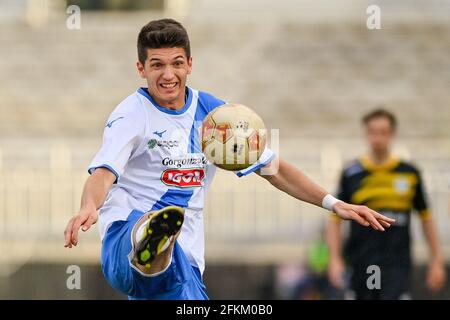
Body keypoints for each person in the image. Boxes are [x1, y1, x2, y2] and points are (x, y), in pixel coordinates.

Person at [63, 19, 394, 300]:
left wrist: (334, 204)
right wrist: (88, 206)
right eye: (157, 65)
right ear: (141, 69)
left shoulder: (216, 117)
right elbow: (104, 172)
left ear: (190, 64)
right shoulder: (131, 115)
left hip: (187, 264)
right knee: (150, 235)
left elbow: (274, 169)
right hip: (123, 242)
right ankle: (151, 238)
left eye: (177, 63)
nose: (168, 75)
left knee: (175, 269)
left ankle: (159, 244)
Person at [326, 108, 446, 300]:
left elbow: (426, 218)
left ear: (392, 134)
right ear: (366, 134)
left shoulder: (409, 173)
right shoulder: (351, 173)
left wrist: (436, 260)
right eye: (373, 132)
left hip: (397, 263)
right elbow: (334, 219)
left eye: (383, 132)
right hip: (361, 260)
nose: (378, 138)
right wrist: (335, 259)